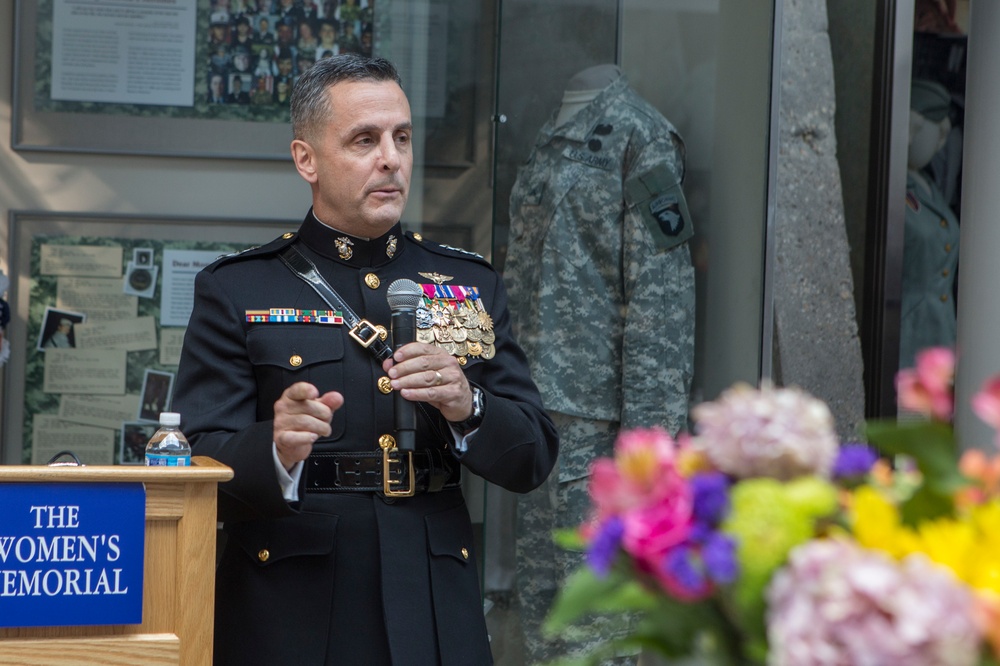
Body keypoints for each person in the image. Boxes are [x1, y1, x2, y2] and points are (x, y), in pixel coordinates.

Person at [172, 54, 558, 665]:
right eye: (364, 139)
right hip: (293, 607)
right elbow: (189, 467)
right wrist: (275, 448)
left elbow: (533, 455)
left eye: (402, 137)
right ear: (307, 159)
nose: (391, 158)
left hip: (432, 602)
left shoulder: (468, 281)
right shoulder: (240, 288)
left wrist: (468, 405)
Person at [504, 64, 696, 665]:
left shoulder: (641, 136)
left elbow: (661, 299)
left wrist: (647, 452)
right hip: (538, 417)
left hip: (599, 431)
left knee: (599, 630)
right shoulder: (551, 128)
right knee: (540, 615)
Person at [900, 78, 959, 371]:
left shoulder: (929, 188)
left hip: (941, 335)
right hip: (908, 337)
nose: (938, 142)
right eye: (928, 130)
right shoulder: (895, 187)